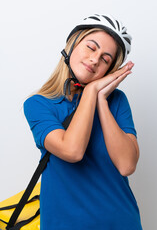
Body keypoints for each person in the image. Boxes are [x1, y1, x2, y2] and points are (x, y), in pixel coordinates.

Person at [23, 13, 142, 230]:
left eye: (106, 59)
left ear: (110, 70)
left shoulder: (117, 102)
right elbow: (72, 151)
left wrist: (101, 101)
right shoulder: (39, 104)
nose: (95, 59)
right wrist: (90, 93)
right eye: (91, 47)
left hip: (122, 223)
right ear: (73, 44)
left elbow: (126, 165)